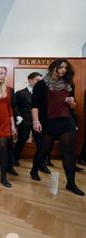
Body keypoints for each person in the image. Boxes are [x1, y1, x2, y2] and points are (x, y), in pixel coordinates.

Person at [30, 59, 84, 196]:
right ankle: (34, 169)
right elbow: (35, 105)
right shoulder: (41, 85)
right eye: (61, 67)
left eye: (66, 68)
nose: (64, 70)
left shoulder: (68, 84)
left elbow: (73, 105)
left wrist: (72, 103)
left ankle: (71, 183)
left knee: (68, 151)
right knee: (44, 150)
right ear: (53, 68)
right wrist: (36, 122)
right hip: (48, 121)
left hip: (67, 121)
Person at [13, 72, 51, 174]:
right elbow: (15, 106)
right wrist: (18, 116)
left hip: (39, 121)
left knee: (41, 145)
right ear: (30, 80)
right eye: (37, 80)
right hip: (24, 121)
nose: (40, 82)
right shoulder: (20, 93)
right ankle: (14, 159)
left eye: (41, 80)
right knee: (21, 140)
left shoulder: (44, 93)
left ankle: (42, 165)